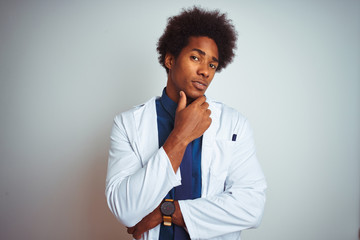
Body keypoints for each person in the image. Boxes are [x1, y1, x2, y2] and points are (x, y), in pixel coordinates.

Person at [106, 6, 267, 240]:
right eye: (195, 57)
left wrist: (167, 212)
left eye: (212, 64)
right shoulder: (128, 124)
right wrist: (179, 136)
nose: (205, 71)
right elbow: (125, 209)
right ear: (170, 59)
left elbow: (252, 207)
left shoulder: (234, 124)